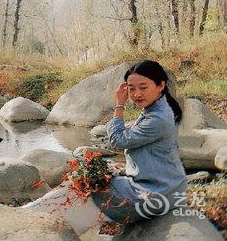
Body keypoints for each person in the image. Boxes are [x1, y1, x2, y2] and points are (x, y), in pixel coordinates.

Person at [22, 60, 187, 236]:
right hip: (164, 188)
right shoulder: (158, 109)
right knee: (83, 185)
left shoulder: (157, 119)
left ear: (160, 85)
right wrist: (127, 169)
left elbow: (117, 140)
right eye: (131, 88)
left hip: (152, 195)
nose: (137, 94)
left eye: (143, 87)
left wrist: (119, 104)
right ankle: (30, 218)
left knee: (80, 189)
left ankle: (25, 220)